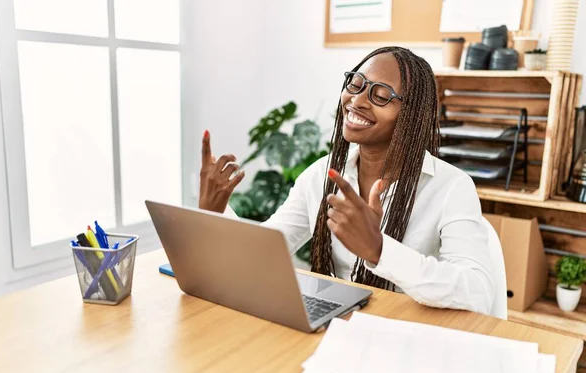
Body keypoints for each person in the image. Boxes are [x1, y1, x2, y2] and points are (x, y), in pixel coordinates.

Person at [198, 47, 495, 315]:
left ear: (412, 115)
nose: (357, 100)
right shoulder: (321, 174)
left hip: (411, 333)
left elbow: (478, 292)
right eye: (355, 84)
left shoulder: (451, 187)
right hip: (339, 328)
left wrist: (380, 250)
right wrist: (214, 214)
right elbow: (264, 253)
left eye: (380, 96)